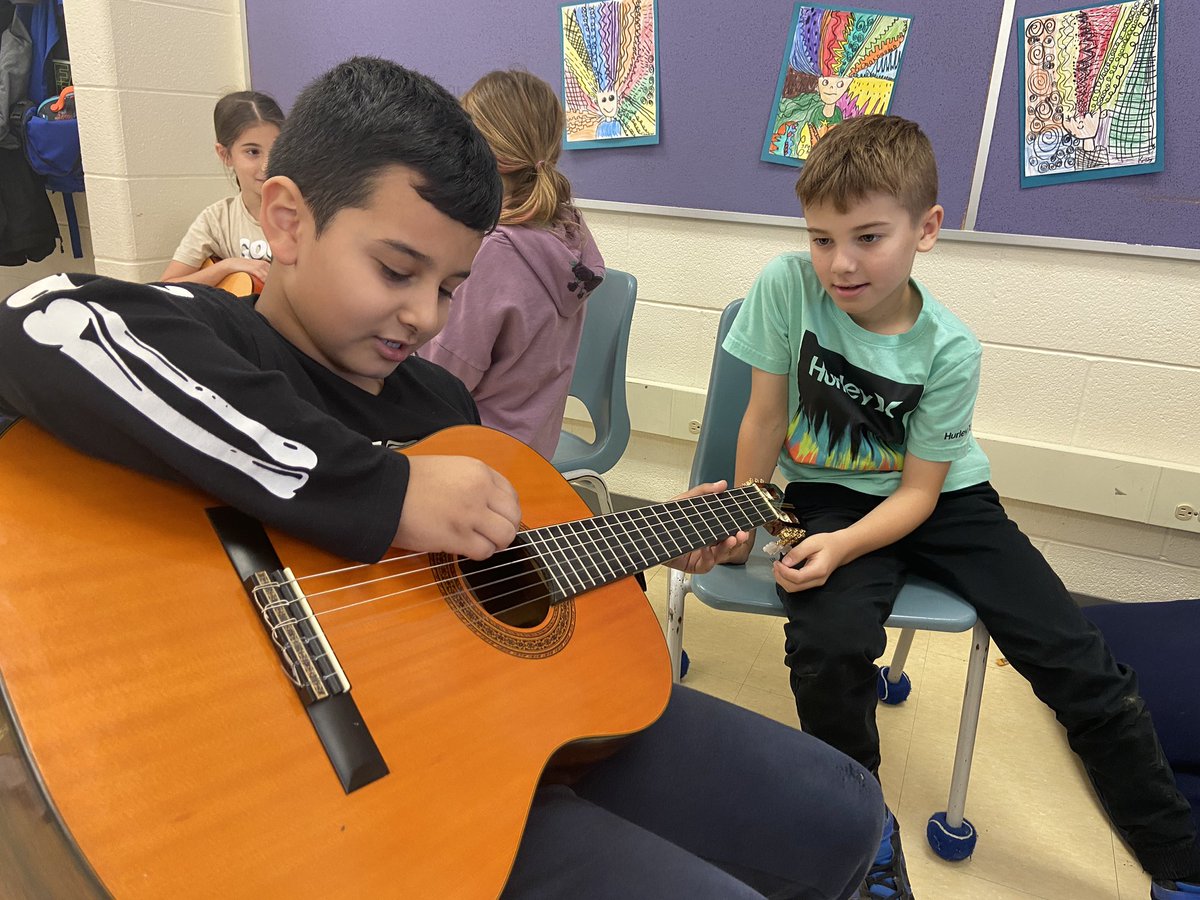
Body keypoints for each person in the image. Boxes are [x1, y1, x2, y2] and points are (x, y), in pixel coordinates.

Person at [0, 57, 884, 898]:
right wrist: (384, 495)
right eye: (395, 269)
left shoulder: (438, 404)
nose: (424, 316)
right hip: (345, 800)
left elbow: (492, 566)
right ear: (285, 219)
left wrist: (664, 534)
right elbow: (42, 319)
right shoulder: (212, 330)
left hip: (490, 729)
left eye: (453, 287)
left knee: (845, 810)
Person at [723, 113, 1200, 900]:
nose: (839, 264)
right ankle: (863, 830)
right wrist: (742, 519)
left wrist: (842, 550)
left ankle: (1178, 857)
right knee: (830, 646)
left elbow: (918, 493)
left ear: (927, 229)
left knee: (1077, 660)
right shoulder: (784, 285)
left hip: (945, 498)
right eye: (821, 238)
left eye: (868, 237)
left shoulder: (951, 348)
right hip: (826, 493)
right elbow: (764, 418)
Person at [422, 69, 603, 460]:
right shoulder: (567, 230)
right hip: (532, 450)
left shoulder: (492, 252)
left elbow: (442, 382)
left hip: (472, 455)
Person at [159, 90, 285, 291]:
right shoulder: (216, 219)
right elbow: (166, 286)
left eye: (277, 149)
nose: (267, 166)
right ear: (225, 154)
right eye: (252, 152)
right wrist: (228, 266)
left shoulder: (307, 212)